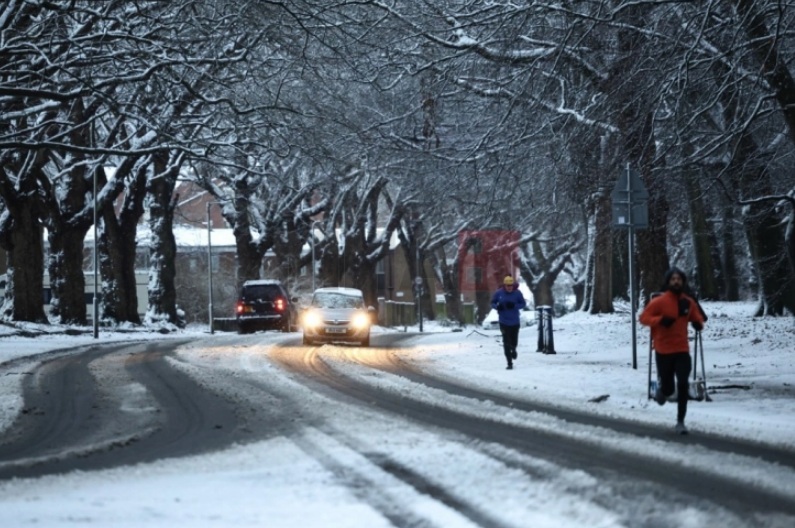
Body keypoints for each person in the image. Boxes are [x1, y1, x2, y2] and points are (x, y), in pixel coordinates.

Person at [639, 267, 706, 435]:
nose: (676, 282)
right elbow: (643, 318)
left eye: (679, 279)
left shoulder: (687, 301)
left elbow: (697, 317)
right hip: (663, 350)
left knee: (683, 383)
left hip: (682, 349)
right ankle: (663, 391)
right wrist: (661, 320)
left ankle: (680, 421)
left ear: (683, 282)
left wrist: (698, 323)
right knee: (669, 388)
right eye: (673, 279)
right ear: (668, 282)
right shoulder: (659, 302)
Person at [491, 275, 527, 370]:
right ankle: (509, 363)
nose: (509, 287)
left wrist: (514, 306)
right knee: (506, 342)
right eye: (507, 286)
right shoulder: (499, 293)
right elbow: (492, 303)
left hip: (515, 321)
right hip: (504, 322)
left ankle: (514, 349)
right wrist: (498, 307)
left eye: (511, 285)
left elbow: (523, 304)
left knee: (514, 341)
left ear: (513, 285)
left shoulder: (518, 293)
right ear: (504, 285)